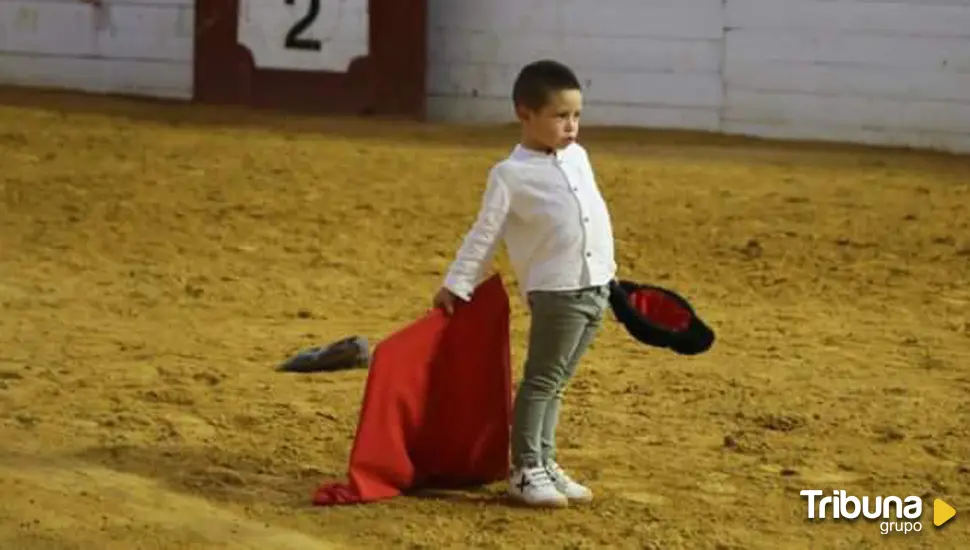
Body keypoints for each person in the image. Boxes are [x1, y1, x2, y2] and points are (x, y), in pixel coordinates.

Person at [432, 59, 617, 508]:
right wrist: (458, 283)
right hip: (556, 290)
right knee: (542, 380)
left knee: (556, 382)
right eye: (559, 116)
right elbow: (485, 233)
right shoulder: (509, 175)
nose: (571, 125)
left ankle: (545, 462)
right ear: (525, 114)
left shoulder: (579, 157)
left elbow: (589, 214)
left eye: (575, 116)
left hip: (596, 285)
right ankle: (525, 468)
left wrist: (610, 276)